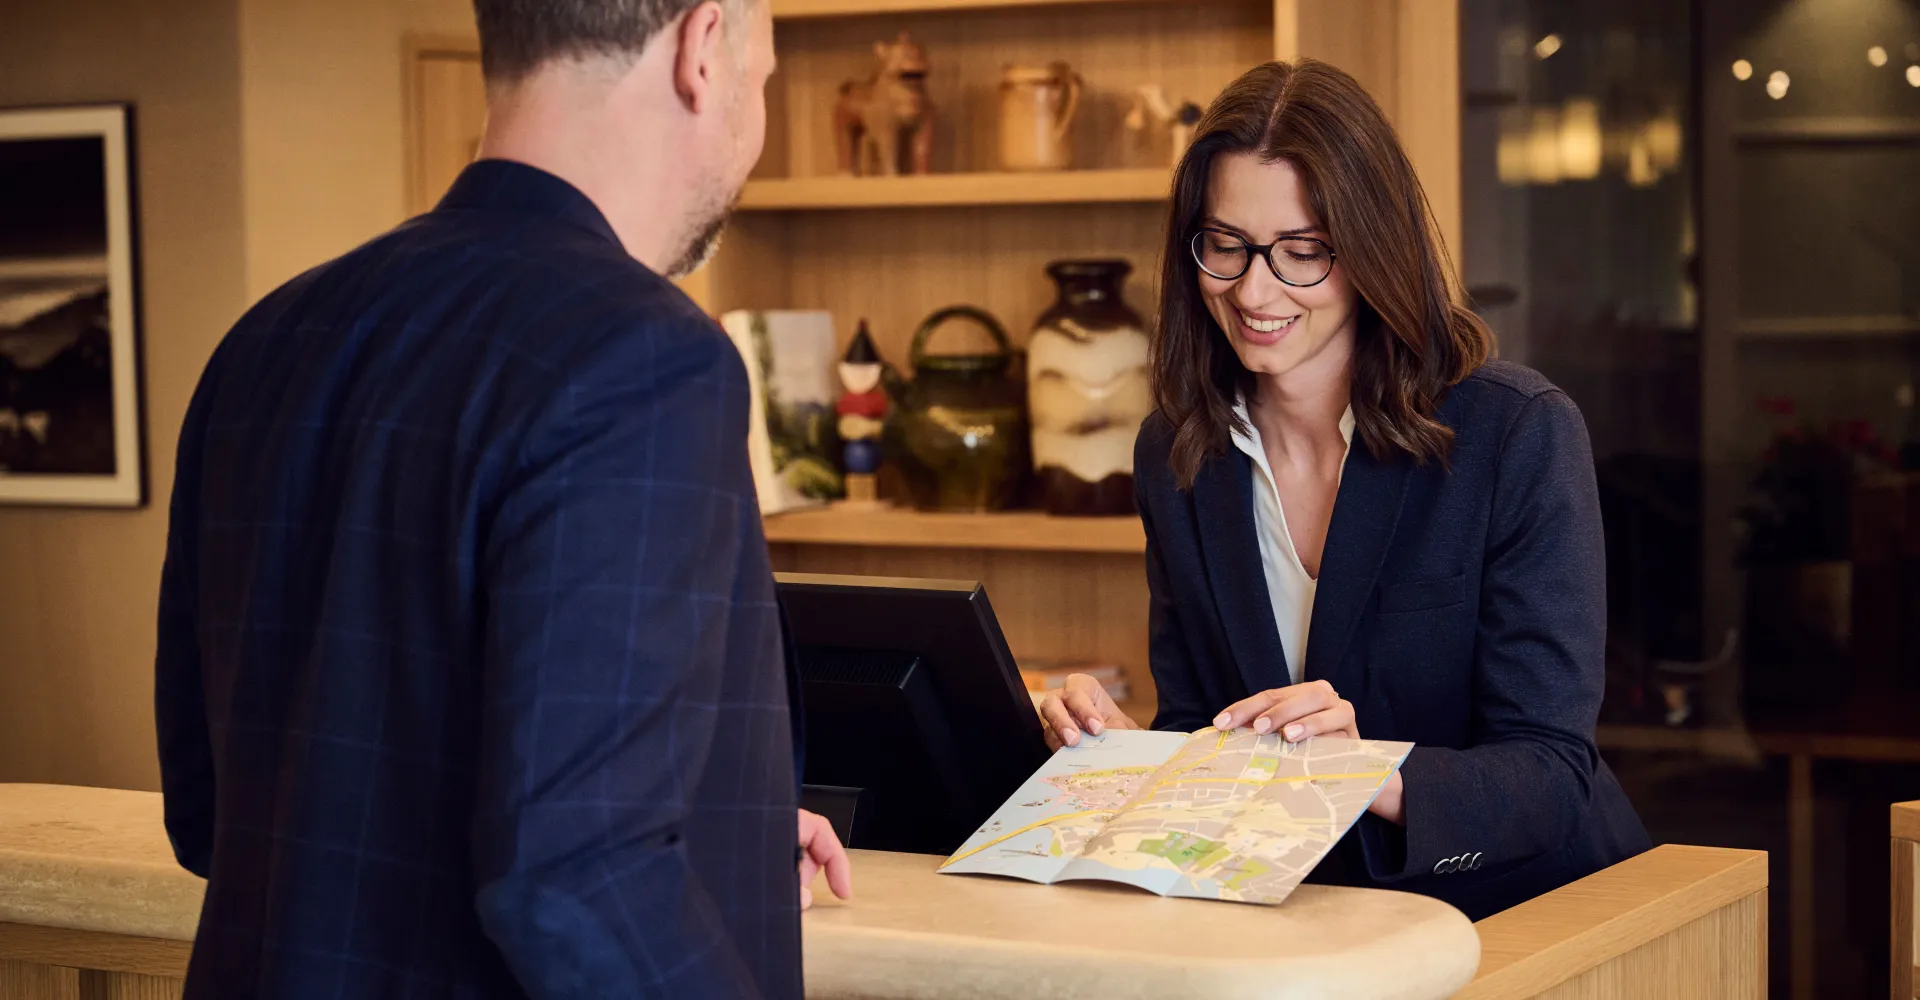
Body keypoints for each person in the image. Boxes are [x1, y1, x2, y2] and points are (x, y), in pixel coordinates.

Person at [154, 1, 848, 996]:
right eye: (767, 75)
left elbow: (216, 803)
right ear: (704, 50)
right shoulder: (646, 356)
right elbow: (575, 877)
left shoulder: (267, 338)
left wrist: (697, 819)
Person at [1040, 59, 1650, 921]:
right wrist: (1123, 757)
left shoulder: (1514, 434)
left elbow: (1550, 772)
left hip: (1531, 913)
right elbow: (1201, 723)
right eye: (1226, 246)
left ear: (1371, 250)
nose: (1254, 291)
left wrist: (1369, 771)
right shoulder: (1177, 454)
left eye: (1303, 254)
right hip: (1313, 918)